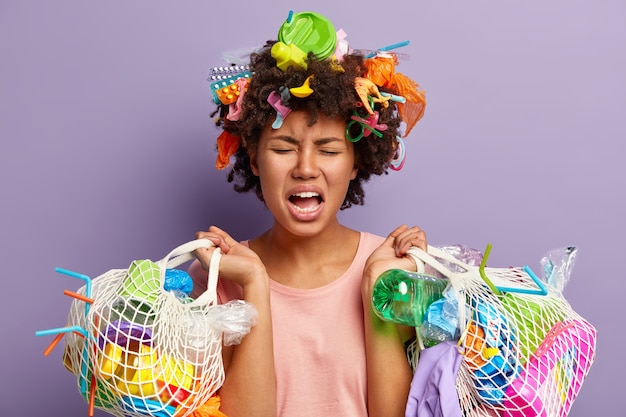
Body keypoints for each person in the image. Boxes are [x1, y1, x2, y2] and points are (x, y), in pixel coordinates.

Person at [188, 10, 428, 417]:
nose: (304, 167)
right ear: (254, 157)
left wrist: (379, 287)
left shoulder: (397, 273)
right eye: (283, 148)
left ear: (356, 162)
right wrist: (254, 283)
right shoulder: (217, 279)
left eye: (329, 150)